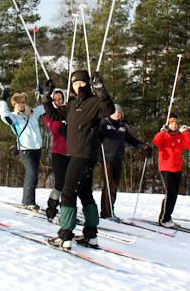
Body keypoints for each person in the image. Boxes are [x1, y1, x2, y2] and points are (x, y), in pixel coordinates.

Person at [42, 70, 115, 249]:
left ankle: (65, 236)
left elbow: (109, 109)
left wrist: (100, 89)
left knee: (68, 192)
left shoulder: (94, 102)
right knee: (84, 193)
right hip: (78, 154)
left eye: (81, 82)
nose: (78, 86)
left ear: (87, 84)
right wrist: (46, 97)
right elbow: (53, 114)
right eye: (75, 84)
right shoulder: (72, 106)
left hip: (84, 154)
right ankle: (91, 236)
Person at [99, 104, 151, 222]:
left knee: (115, 184)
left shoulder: (122, 127)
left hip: (118, 159)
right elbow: (96, 135)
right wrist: (99, 135)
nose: (117, 114)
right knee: (108, 185)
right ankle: (105, 212)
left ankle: (111, 210)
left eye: (119, 112)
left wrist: (144, 147)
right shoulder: (105, 124)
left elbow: (132, 140)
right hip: (107, 158)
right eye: (115, 112)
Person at [0, 89, 45, 212]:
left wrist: (43, 94)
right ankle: (28, 201)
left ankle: (31, 200)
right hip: (25, 150)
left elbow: (45, 107)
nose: (21, 105)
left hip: (36, 148)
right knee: (31, 173)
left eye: (23, 102)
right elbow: (4, 115)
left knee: (34, 176)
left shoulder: (34, 113)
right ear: (15, 105)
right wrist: (3, 100)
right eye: (18, 103)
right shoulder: (14, 117)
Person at [152, 113, 190, 228]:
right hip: (165, 168)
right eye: (172, 124)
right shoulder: (164, 135)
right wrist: (162, 132)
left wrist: (185, 132)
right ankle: (163, 218)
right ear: (168, 125)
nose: (174, 126)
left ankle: (168, 216)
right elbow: (155, 142)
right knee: (169, 192)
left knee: (174, 194)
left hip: (177, 168)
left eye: (176, 124)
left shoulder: (180, 136)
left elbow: (189, 146)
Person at [43, 89, 70, 222]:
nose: (58, 102)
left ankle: (67, 210)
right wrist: (61, 116)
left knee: (69, 185)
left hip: (72, 152)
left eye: (60, 99)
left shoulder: (69, 110)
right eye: (55, 99)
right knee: (60, 183)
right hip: (58, 153)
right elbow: (53, 129)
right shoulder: (49, 114)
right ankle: (51, 207)